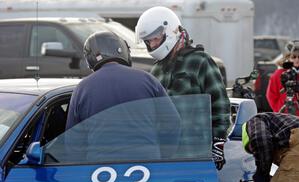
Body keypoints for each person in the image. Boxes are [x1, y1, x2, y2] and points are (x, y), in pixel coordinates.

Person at [135, 6, 230, 170]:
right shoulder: (156, 70)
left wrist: (218, 144)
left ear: (171, 31)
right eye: (148, 41)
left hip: (196, 153)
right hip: (165, 156)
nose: (152, 44)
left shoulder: (200, 61)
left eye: (156, 38)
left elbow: (220, 105)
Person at [65, 31, 180, 161]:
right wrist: (162, 155)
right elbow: (173, 122)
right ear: (122, 49)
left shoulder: (82, 89)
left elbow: (72, 142)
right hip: (148, 166)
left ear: (89, 59)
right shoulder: (147, 80)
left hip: (99, 171)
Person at [242, 112, 299, 182]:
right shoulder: (281, 124)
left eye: (253, 150)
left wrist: (262, 174)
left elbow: (261, 141)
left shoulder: (254, 121)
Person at [266, 40, 299, 116]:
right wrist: (279, 110)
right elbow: (271, 96)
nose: (297, 60)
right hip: (285, 117)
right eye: (293, 57)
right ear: (288, 58)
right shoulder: (279, 74)